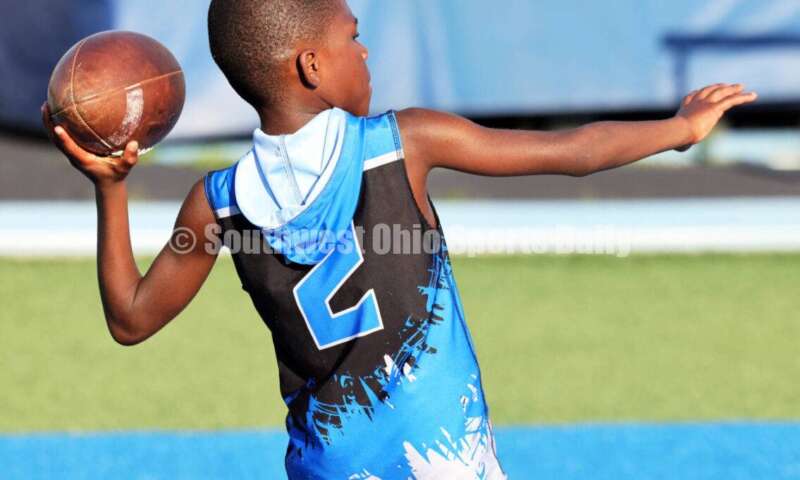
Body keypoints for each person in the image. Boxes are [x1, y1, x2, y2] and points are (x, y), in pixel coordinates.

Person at [41, 0, 757, 478]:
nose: (365, 48)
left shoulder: (217, 204)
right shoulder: (401, 143)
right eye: (352, 36)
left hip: (329, 464)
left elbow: (130, 319)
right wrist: (679, 130)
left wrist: (111, 188)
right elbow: (569, 150)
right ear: (312, 67)